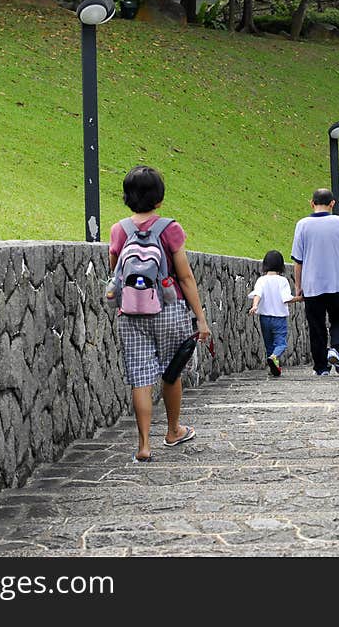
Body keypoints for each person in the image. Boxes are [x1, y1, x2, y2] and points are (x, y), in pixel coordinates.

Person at [109, 166, 211, 462]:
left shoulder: (119, 230)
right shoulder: (169, 229)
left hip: (131, 312)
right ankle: (173, 430)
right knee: (171, 370)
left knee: (140, 377)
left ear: (127, 197)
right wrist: (200, 318)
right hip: (168, 309)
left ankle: (143, 445)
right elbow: (186, 277)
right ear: (159, 198)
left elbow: (115, 270)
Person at [290, 188, 339, 376]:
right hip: (337, 283)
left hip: (312, 285)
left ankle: (321, 368)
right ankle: (336, 349)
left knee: (316, 326)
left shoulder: (302, 225)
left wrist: (298, 286)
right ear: (332, 204)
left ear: (312, 203)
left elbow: (298, 260)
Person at [247, 250, 302, 377]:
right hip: (279, 318)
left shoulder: (261, 280)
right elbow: (287, 299)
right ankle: (274, 357)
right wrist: (300, 298)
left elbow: (257, 294)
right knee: (281, 343)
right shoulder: (282, 281)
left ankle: (273, 367)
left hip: (264, 318)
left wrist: (255, 306)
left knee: (269, 344)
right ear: (281, 265)